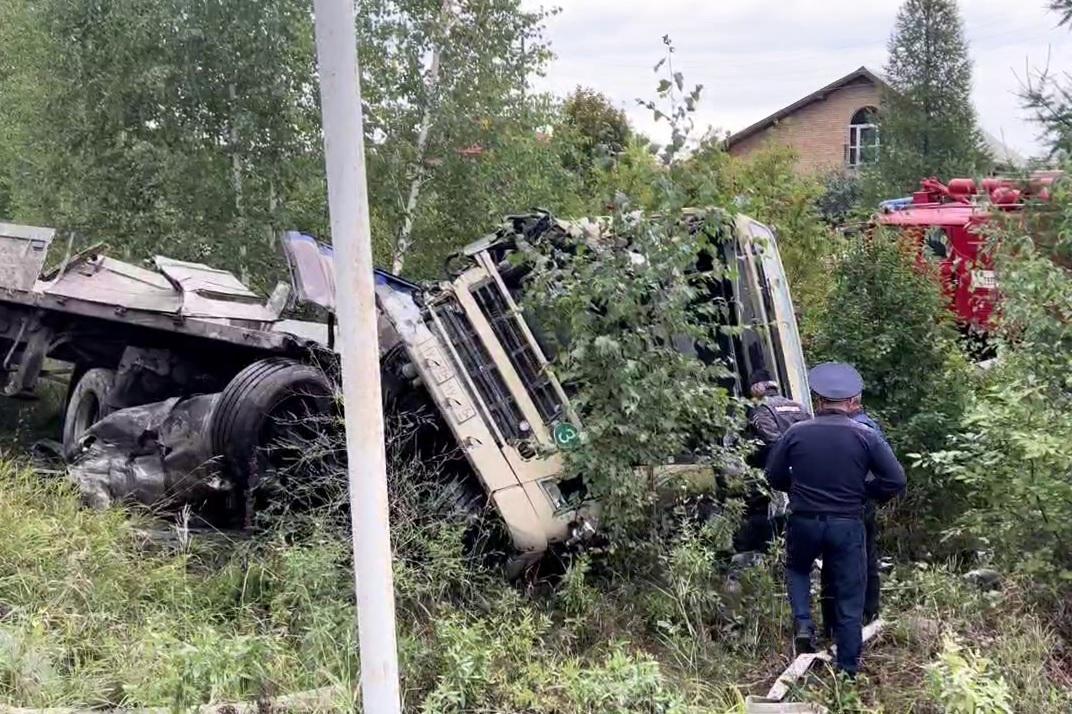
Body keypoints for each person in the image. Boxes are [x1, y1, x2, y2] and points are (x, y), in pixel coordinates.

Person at [765, 362, 906, 675]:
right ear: (852, 401)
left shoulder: (796, 432)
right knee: (850, 591)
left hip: (804, 519)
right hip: (846, 523)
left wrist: (798, 489)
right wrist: (866, 492)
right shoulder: (865, 435)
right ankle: (846, 670)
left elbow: (773, 475)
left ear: (818, 401)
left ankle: (804, 624)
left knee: (798, 568)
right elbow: (896, 480)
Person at [820, 405, 886, 640]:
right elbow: (886, 471)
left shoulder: (827, 431)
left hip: (832, 504)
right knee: (867, 557)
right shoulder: (869, 427)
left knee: (832, 564)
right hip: (861, 501)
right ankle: (869, 616)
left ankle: (832, 626)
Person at [738, 369, 810, 553]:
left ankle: (771, 552)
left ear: (756, 389)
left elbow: (772, 440)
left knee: (761, 514)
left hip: (778, 473)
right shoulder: (798, 407)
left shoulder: (761, 409)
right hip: (805, 469)